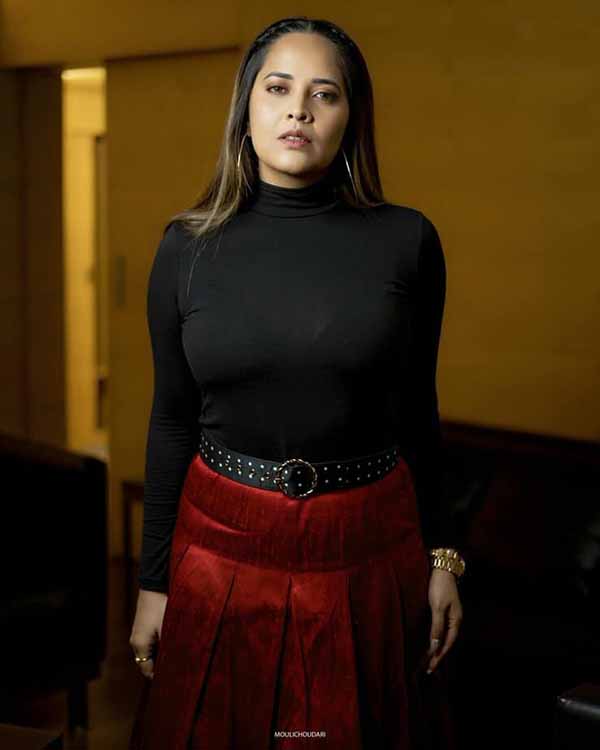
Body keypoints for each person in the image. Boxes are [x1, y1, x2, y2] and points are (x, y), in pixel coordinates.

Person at [128, 15, 465, 750]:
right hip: (219, 546)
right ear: (246, 108)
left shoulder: (407, 240)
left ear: (350, 117)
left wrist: (442, 557)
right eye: (278, 88)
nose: (299, 110)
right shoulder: (185, 246)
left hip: (368, 546)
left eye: (325, 93)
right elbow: (172, 420)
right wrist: (154, 584)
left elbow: (419, 409)